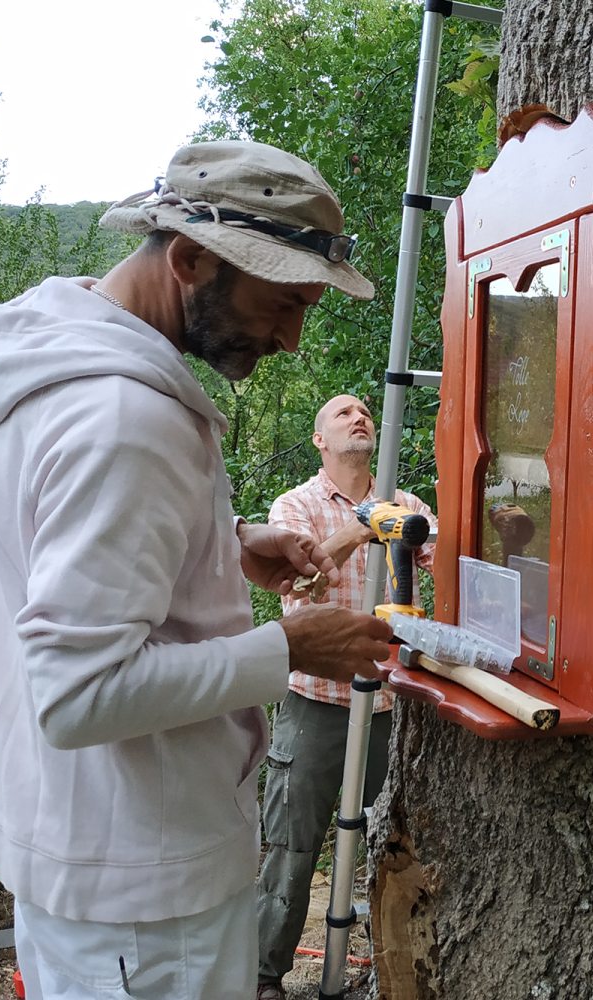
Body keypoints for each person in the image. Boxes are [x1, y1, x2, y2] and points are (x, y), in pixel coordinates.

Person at [0, 141, 394, 1000]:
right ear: (189, 257)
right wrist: (289, 648)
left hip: (85, 854)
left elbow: (53, 536)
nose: (293, 340)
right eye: (284, 302)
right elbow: (80, 695)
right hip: (143, 898)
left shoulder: (55, 370)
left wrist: (221, 541)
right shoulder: (125, 419)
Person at [255, 393, 435, 1000]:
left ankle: (394, 973)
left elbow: (453, 566)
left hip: (389, 709)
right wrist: (362, 525)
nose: (358, 416)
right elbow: (298, 583)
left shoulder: (408, 505)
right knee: (291, 845)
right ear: (320, 440)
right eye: (341, 413)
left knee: (398, 845)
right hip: (314, 705)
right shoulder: (295, 506)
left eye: (364, 410)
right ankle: (263, 978)